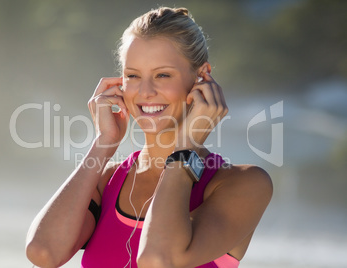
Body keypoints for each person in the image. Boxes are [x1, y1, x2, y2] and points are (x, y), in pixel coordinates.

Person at [26, 7, 273, 268]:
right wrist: (104, 142)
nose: (145, 91)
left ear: (202, 76)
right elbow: (44, 253)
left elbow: (159, 258)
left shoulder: (242, 184)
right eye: (133, 76)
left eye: (162, 75)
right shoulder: (106, 180)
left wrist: (186, 146)